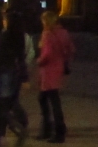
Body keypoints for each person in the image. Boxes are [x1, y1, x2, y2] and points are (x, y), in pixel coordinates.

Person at [0, 11, 29, 147]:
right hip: (13, 74)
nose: (3, 22)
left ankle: (14, 126)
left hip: (2, 74)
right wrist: (24, 77)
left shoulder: (4, 36)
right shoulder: (20, 36)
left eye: (5, 20)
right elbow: (21, 58)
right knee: (8, 103)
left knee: (0, 107)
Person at [35, 11, 74, 143]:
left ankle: (54, 130)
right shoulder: (64, 32)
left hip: (48, 70)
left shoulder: (47, 34)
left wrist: (39, 61)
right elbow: (71, 49)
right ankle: (54, 128)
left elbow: (47, 54)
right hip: (58, 69)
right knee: (49, 98)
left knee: (48, 100)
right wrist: (63, 59)